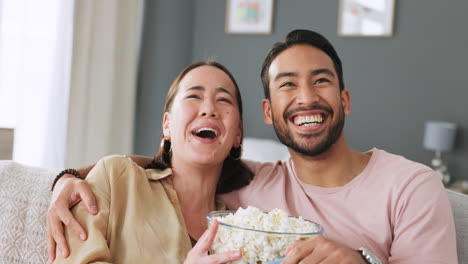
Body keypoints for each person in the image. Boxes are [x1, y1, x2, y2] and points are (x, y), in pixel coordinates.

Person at [48, 30, 457, 264]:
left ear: (345, 99)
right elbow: (174, 167)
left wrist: (361, 262)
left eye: (321, 81)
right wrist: (68, 177)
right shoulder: (253, 190)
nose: (306, 98)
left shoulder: (412, 186)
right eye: (287, 85)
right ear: (268, 111)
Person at [49, 61, 255, 263]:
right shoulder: (116, 178)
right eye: (193, 96)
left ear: (237, 133)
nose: (209, 109)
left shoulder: (241, 229)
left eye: (224, 100)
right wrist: (63, 178)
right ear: (167, 125)